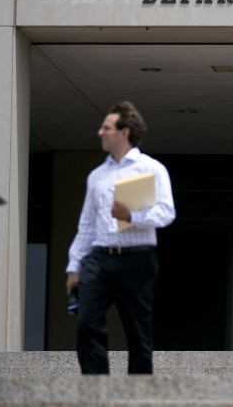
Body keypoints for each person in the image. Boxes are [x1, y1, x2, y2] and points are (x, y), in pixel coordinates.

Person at [65, 101, 175, 374]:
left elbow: (166, 213)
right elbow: (86, 225)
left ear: (124, 132)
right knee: (87, 323)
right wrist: (73, 266)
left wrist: (131, 216)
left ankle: (137, 397)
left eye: (106, 128)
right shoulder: (97, 176)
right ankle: (96, 394)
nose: (100, 132)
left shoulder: (151, 168)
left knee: (138, 333)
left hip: (137, 259)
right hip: (99, 259)